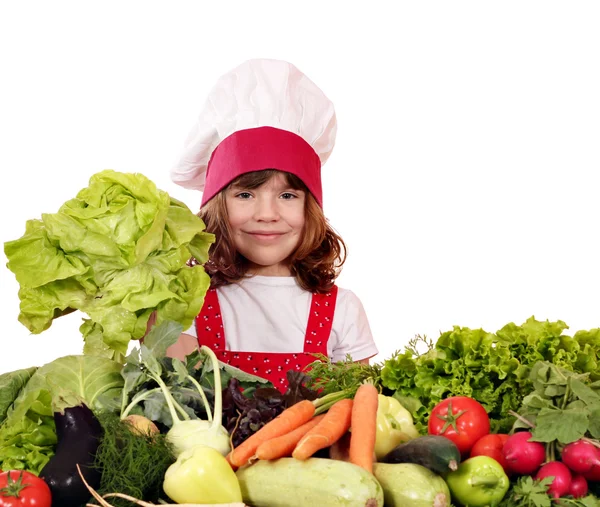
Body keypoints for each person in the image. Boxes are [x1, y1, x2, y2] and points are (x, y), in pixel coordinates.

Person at [165, 58, 378, 392]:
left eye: (288, 195)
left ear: (312, 208)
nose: (267, 213)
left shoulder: (342, 310)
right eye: (246, 194)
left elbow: (361, 415)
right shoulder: (189, 304)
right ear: (216, 207)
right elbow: (179, 405)